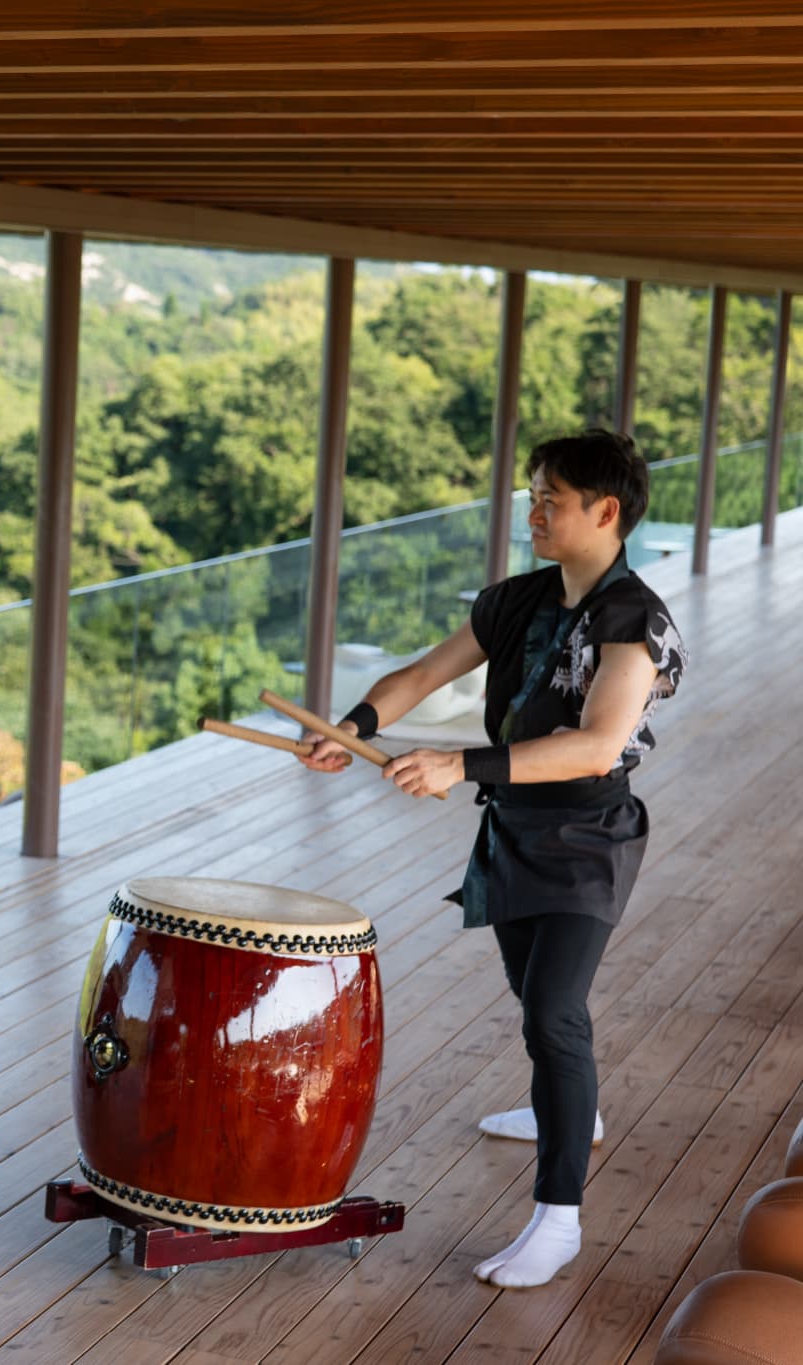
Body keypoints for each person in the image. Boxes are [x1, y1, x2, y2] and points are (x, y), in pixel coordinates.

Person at [300, 429, 684, 1290]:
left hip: (590, 835)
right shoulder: (515, 599)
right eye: (534, 493)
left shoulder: (636, 619)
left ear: (606, 512)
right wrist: (355, 725)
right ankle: (568, 1109)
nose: (535, 510)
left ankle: (559, 1216)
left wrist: (454, 765)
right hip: (514, 827)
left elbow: (594, 746)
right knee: (534, 1000)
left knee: (555, 1010)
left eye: (551, 497)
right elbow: (425, 673)